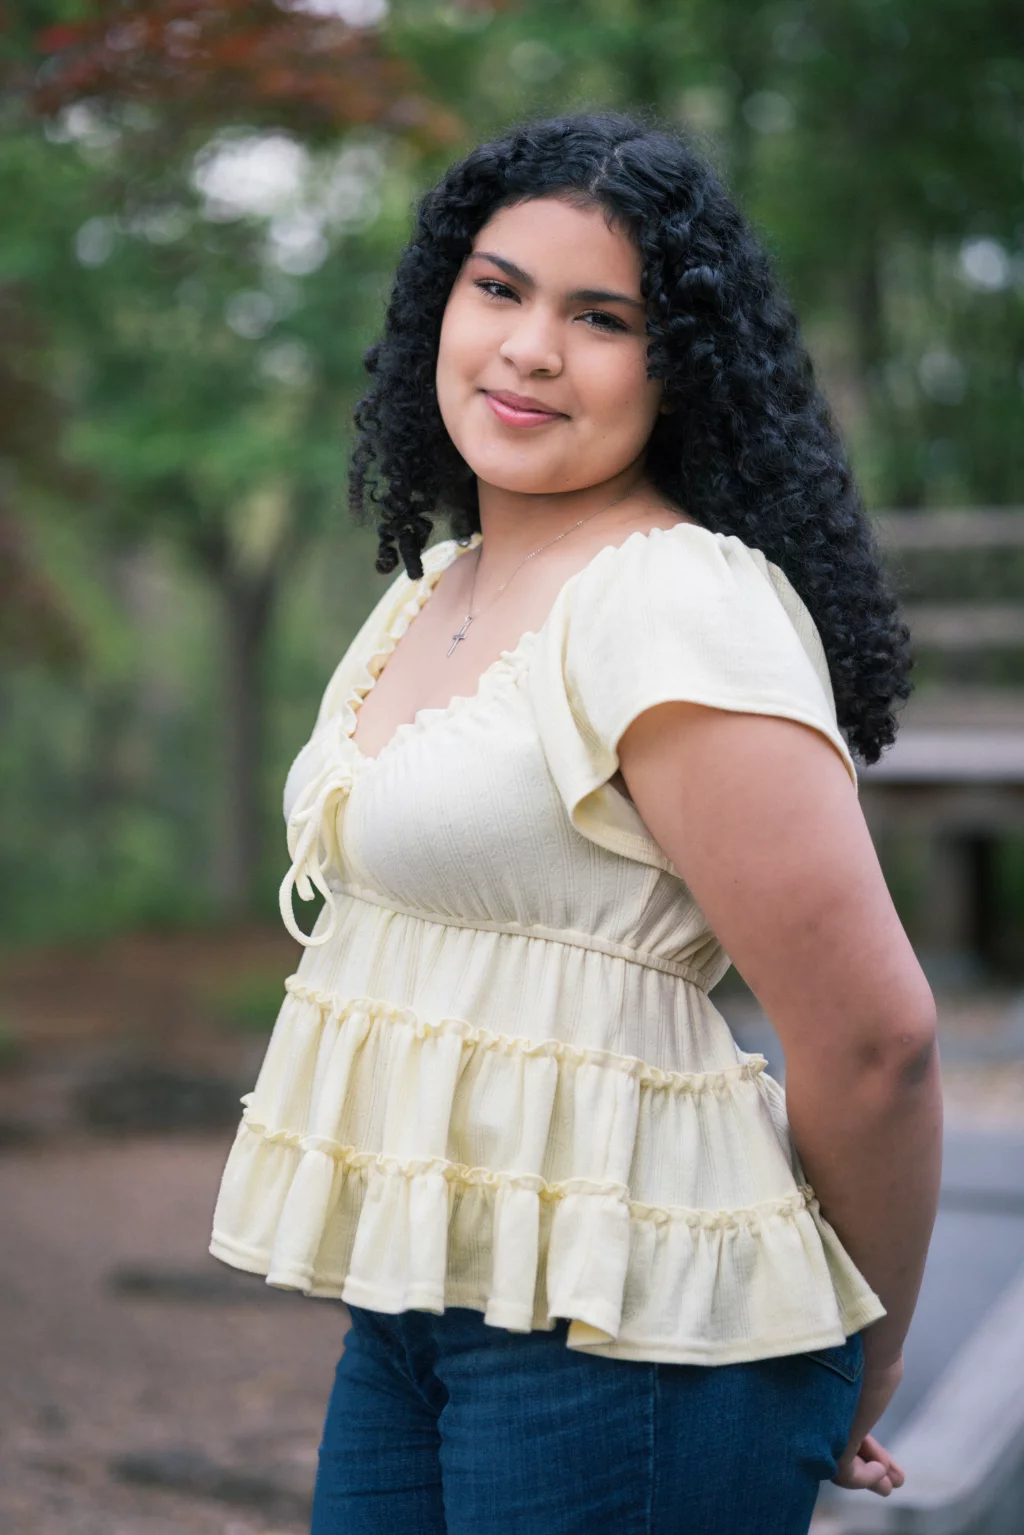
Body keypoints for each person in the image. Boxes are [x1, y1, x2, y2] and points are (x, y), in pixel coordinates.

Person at [209, 110, 943, 1534]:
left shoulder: (673, 601)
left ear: (680, 369)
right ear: (441, 303)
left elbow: (877, 1035)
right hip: (420, 1309)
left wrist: (869, 1347)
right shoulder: (429, 586)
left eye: (600, 317)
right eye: (499, 288)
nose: (531, 348)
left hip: (642, 1338)